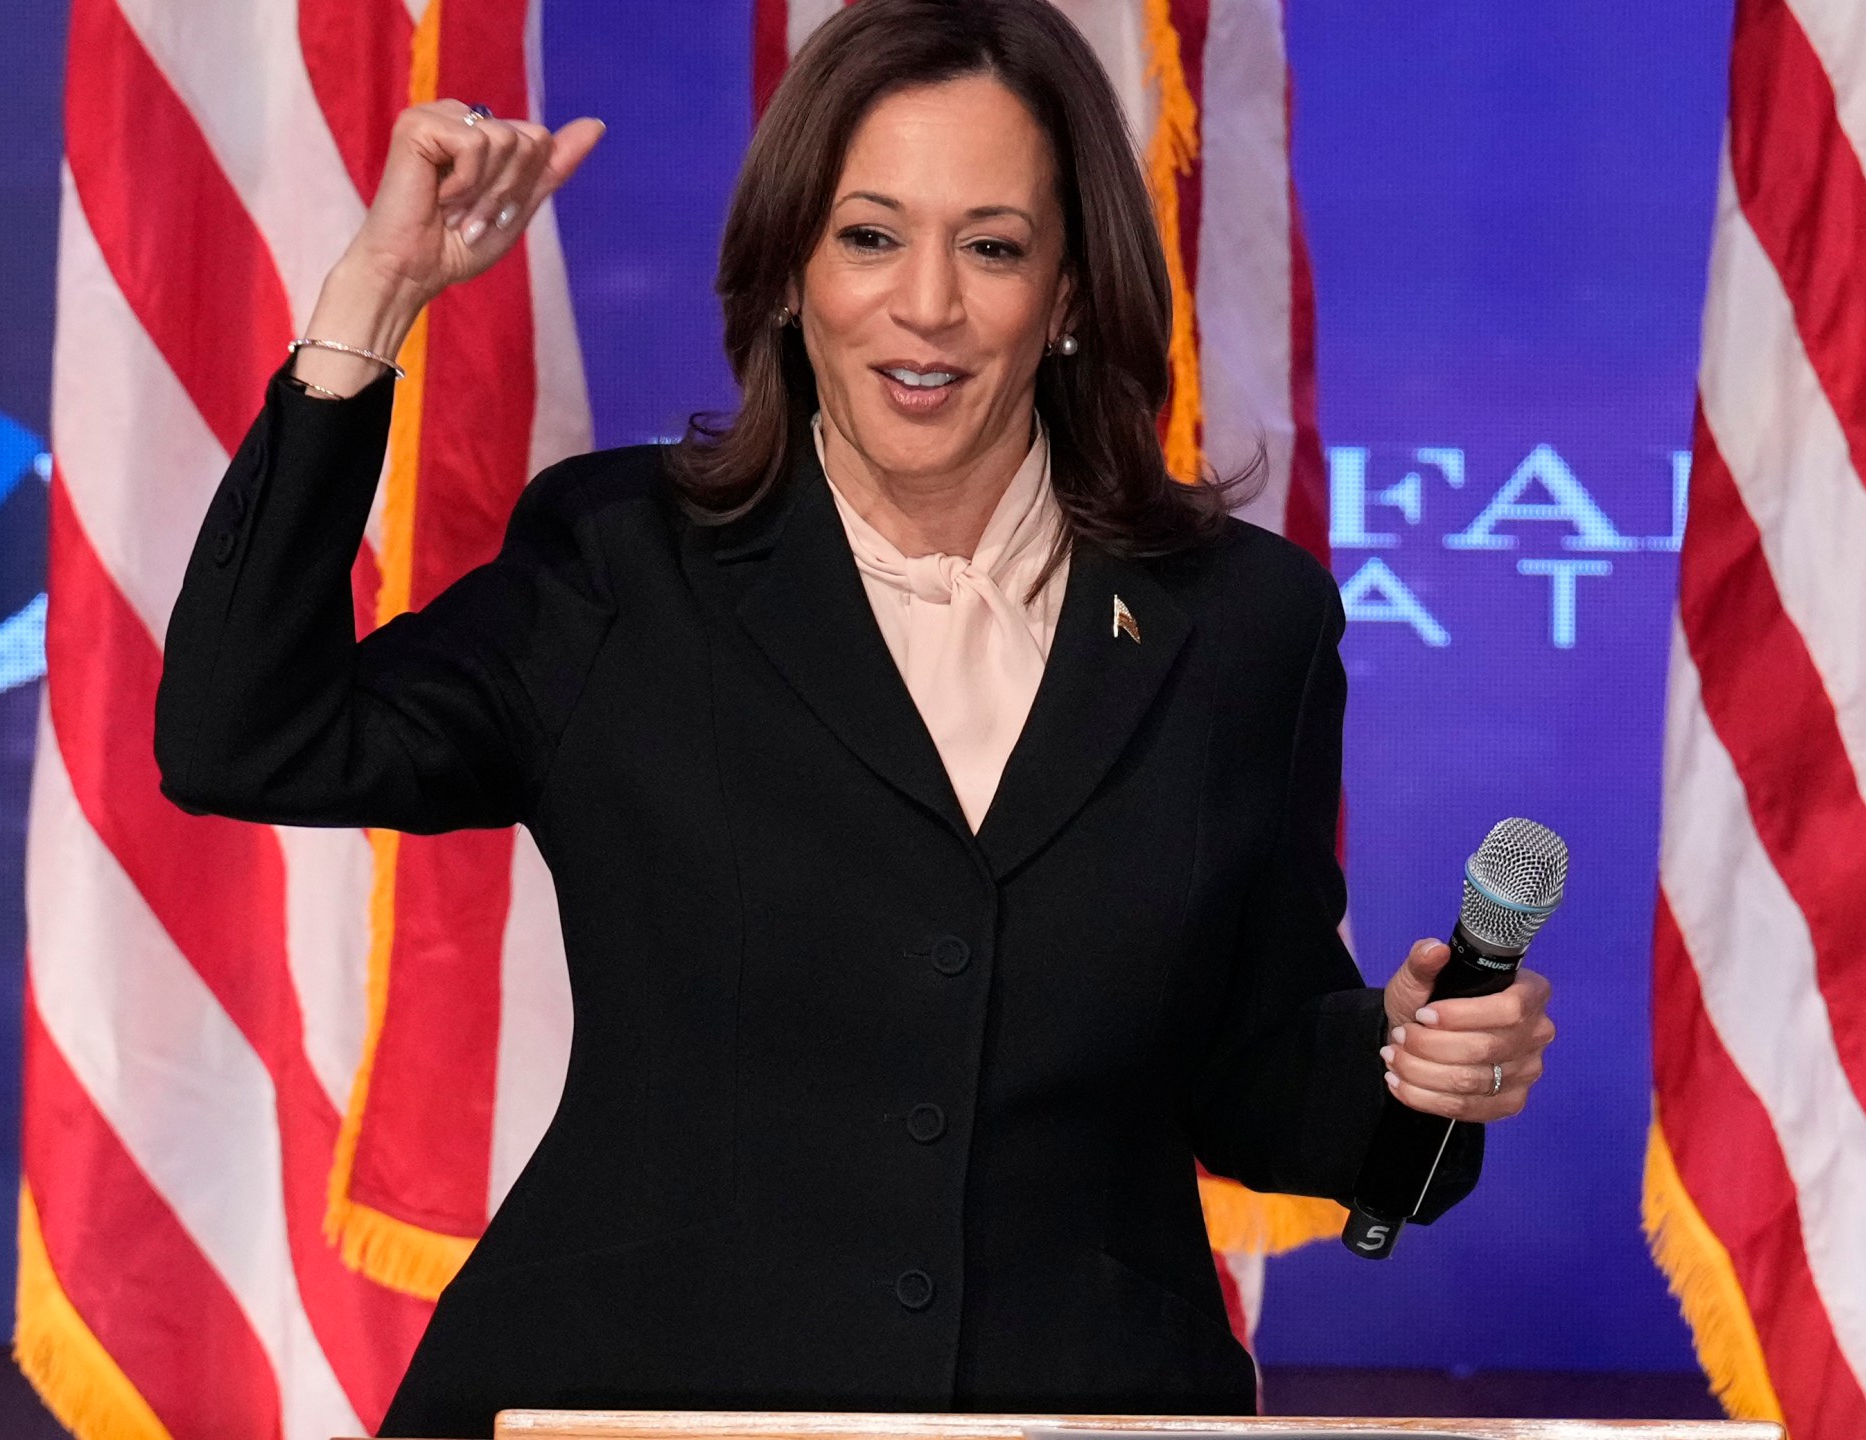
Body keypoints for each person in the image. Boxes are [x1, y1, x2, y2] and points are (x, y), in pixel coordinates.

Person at [155, 0, 1557, 1432]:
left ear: (1070, 293)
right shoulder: (617, 566)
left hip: (1074, 1402)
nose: (927, 306)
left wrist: (1411, 1066)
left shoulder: (1241, 623)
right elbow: (241, 736)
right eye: (869, 236)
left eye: (995, 246)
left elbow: (1256, 1078)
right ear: (787, 273)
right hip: (629, 1398)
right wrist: (372, 302)